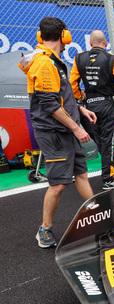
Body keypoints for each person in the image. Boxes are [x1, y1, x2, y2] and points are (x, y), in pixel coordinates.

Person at [18, 16, 97, 248]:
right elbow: (50, 104)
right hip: (54, 132)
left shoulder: (52, 60)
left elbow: (61, 97)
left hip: (66, 128)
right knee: (59, 183)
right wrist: (76, 128)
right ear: (64, 36)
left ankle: (97, 213)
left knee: (81, 173)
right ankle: (44, 230)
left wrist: (80, 110)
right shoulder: (44, 63)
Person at [70, 30, 114, 190]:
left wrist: (82, 98)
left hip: (89, 106)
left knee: (102, 142)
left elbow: (72, 83)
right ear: (105, 44)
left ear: (91, 43)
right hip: (106, 106)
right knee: (109, 141)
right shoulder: (111, 58)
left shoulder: (79, 58)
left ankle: (113, 171)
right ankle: (107, 178)